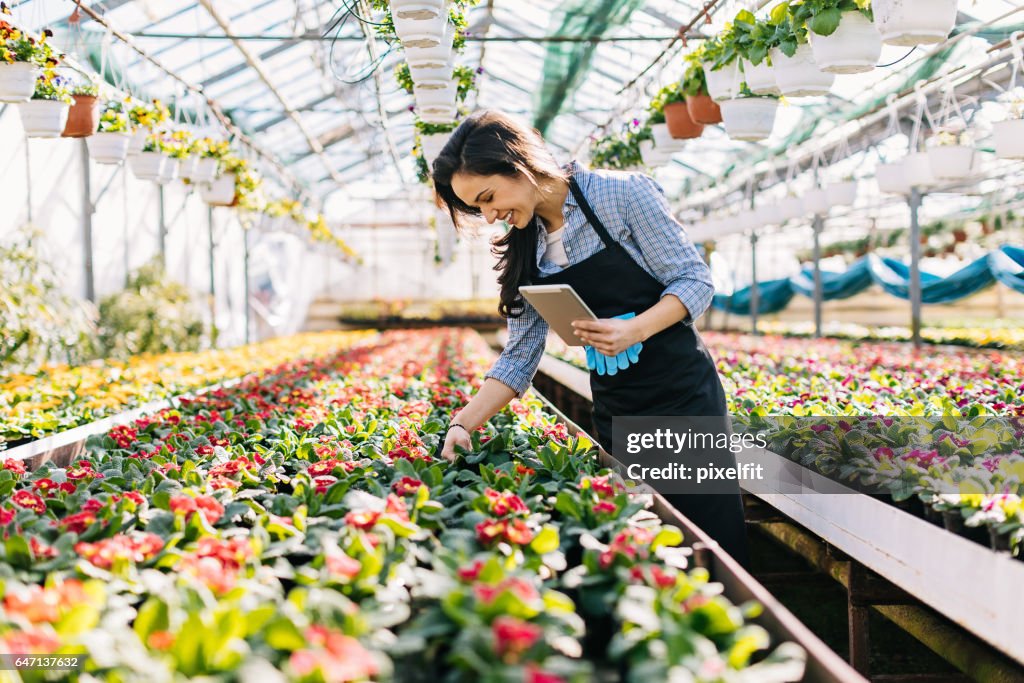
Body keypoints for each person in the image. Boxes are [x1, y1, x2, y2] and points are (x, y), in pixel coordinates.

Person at [431, 110, 749, 568]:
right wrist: (463, 424)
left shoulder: (620, 195)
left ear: (517, 164)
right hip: (617, 402)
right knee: (647, 530)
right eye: (476, 209)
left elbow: (694, 281)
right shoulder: (526, 243)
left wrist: (634, 328)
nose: (488, 214)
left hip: (682, 394)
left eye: (487, 197)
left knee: (709, 528)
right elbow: (519, 356)